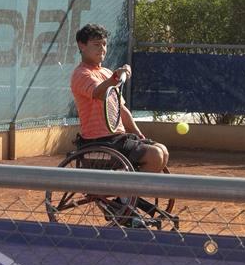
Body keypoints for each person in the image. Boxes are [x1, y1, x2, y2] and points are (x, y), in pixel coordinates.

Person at [69, 23, 170, 173]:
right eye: (96, 44)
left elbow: (121, 110)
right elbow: (100, 93)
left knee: (162, 151)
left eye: (104, 44)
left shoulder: (106, 72)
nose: (102, 49)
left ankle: (127, 192)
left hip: (118, 139)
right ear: (81, 45)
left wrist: (138, 134)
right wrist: (115, 78)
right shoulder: (81, 74)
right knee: (154, 155)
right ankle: (124, 194)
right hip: (99, 141)